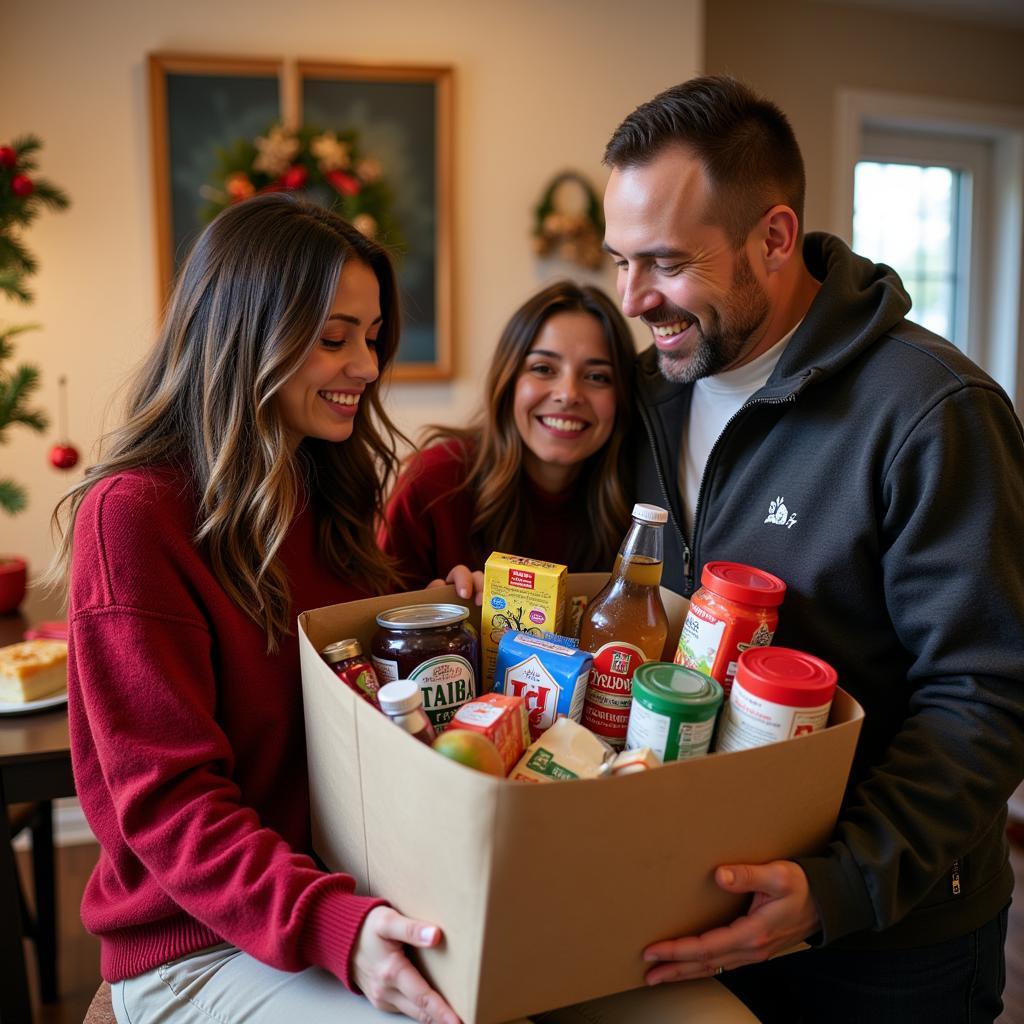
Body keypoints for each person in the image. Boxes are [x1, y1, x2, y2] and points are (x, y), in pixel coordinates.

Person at [601, 75, 1024, 1022]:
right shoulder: (650, 392)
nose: (633, 297)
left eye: (664, 262)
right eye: (618, 261)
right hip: (688, 900)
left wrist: (838, 885)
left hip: (884, 939)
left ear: (776, 238)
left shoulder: (931, 413)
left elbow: (987, 694)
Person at [50, 194, 469, 1024]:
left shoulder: (327, 491)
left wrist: (443, 623)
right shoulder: (134, 516)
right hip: (195, 946)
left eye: (373, 336)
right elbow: (171, 808)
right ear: (247, 336)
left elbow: (353, 707)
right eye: (334, 337)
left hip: (340, 894)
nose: (369, 367)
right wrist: (335, 928)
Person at [381, 281, 636, 587]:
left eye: (597, 376)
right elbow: (369, 622)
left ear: (622, 395)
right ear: (508, 380)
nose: (568, 394)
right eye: (543, 368)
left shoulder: (639, 504)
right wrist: (435, 613)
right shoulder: (432, 484)